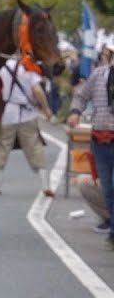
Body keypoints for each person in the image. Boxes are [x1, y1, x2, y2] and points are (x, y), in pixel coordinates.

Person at [0, 58, 54, 195]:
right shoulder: (28, 67)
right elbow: (37, 90)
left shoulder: (0, 67)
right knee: (35, 147)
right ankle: (46, 185)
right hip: (28, 113)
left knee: (1, 146)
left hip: (7, 113)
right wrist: (46, 109)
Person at [68, 54, 114, 249]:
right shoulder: (99, 74)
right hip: (100, 139)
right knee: (108, 188)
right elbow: (81, 94)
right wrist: (75, 112)